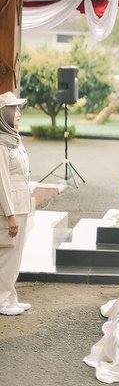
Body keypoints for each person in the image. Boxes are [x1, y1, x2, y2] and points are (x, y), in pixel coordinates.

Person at [0, 92, 31, 316]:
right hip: (9, 210)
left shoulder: (14, 139)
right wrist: (9, 214)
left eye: (19, 110)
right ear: (5, 114)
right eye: (14, 110)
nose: (18, 114)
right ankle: (2, 301)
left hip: (22, 206)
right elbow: (2, 183)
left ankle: (11, 297)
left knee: (16, 255)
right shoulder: (1, 144)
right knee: (7, 255)